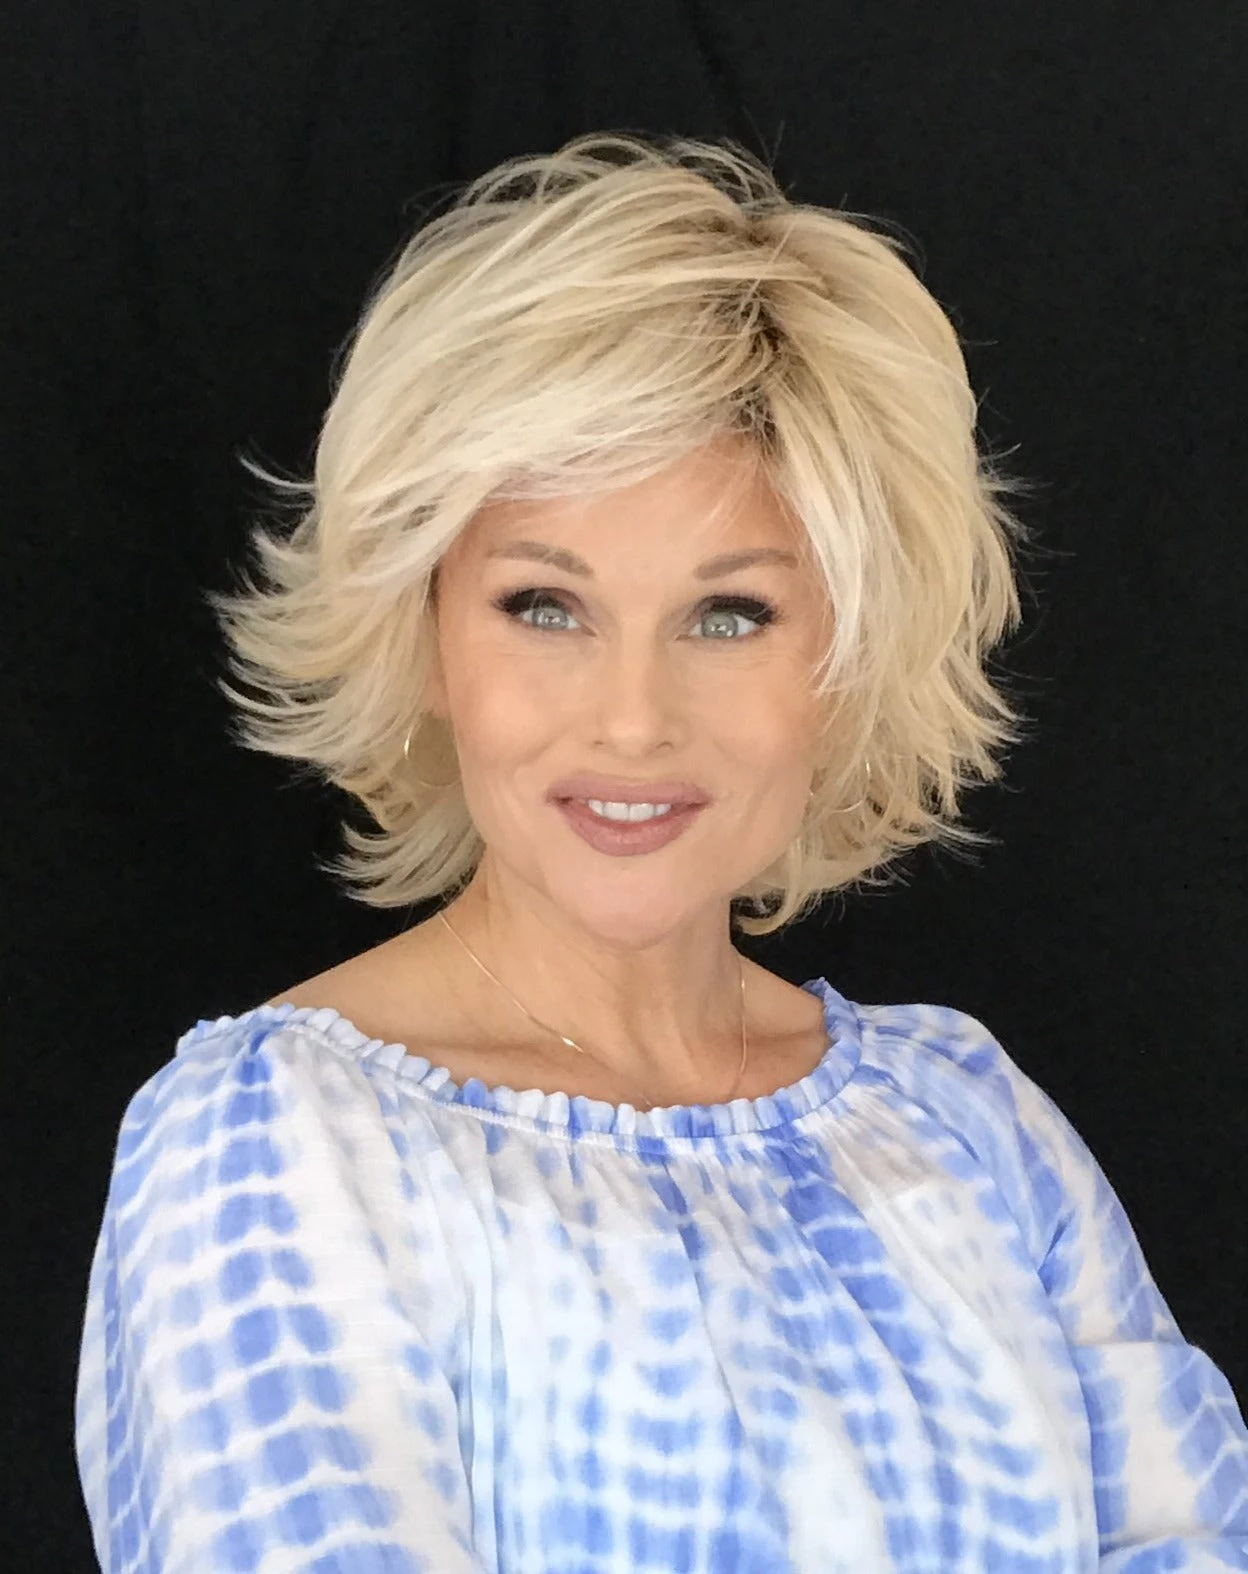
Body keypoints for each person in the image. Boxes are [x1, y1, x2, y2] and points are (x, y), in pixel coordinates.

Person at [74, 132, 1248, 1573]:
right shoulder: (271, 1145)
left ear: (848, 661)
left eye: (730, 614)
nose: (632, 719)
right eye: (544, 607)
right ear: (422, 633)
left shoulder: (972, 1122)